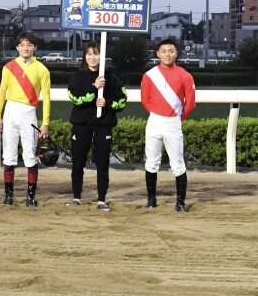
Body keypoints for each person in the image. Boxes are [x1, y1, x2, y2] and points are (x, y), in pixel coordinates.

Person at [67, 41, 127, 211]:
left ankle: (101, 199)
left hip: (103, 126)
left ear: (102, 56)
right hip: (81, 125)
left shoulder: (112, 77)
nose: (92, 57)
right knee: (78, 162)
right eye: (89, 54)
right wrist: (94, 88)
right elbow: (77, 99)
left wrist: (107, 103)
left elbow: (122, 102)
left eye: (96, 54)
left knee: (102, 164)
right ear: (84, 56)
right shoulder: (77, 77)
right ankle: (76, 197)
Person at [0, 32, 51, 207]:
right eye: (22, 45)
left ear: (35, 47)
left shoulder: (42, 69)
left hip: (29, 113)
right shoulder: (8, 67)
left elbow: (47, 97)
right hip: (10, 111)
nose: (25, 48)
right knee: (9, 155)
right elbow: (2, 92)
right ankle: (9, 196)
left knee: (30, 155)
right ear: (17, 47)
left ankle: (30, 197)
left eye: (29, 45)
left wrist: (45, 123)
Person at [140, 38, 196, 211]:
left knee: (178, 164)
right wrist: (158, 114)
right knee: (151, 162)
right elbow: (145, 101)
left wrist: (177, 119)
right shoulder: (149, 75)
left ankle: (180, 202)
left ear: (176, 53)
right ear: (158, 54)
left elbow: (191, 103)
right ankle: (151, 200)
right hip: (154, 121)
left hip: (173, 122)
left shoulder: (185, 75)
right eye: (163, 51)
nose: (167, 54)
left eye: (171, 51)